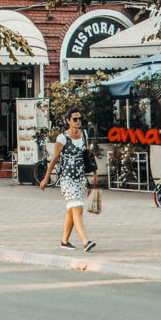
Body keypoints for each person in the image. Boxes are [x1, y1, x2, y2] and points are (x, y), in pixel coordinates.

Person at [39, 106, 97, 253]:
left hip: (80, 178)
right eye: (75, 119)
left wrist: (94, 173)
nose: (78, 122)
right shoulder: (62, 138)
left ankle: (64, 241)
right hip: (67, 178)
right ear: (68, 121)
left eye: (79, 119)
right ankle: (86, 241)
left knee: (72, 210)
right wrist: (46, 178)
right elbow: (54, 159)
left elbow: (88, 155)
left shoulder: (84, 134)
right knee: (77, 208)